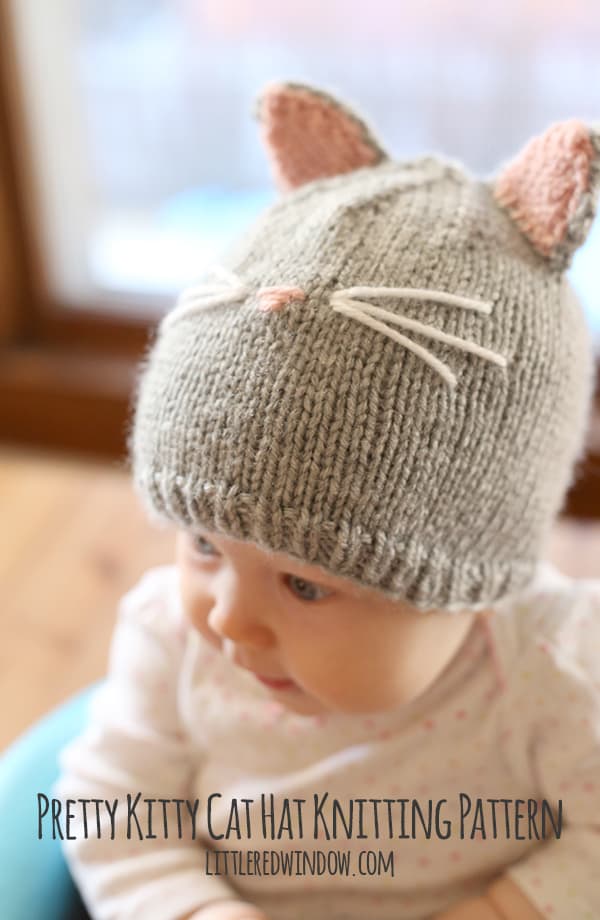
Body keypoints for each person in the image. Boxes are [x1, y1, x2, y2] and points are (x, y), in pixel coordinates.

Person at [54, 82, 600, 920]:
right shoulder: (171, 637)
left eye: (304, 584)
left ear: (469, 578)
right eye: (203, 542)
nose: (228, 620)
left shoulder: (547, 670)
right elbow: (110, 805)